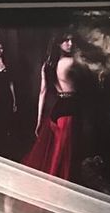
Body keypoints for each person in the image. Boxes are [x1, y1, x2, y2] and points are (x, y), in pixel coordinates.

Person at [23, 30, 79, 180]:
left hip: (55, 113)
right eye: (66, 40)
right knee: (62, 158)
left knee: (57, 154)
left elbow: (42, 93)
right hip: (68, 111)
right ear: (58, 43)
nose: (70, 44)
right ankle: (57, 189)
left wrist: (39, 120)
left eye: (71, 40)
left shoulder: (47, 65)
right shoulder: (71, 62)